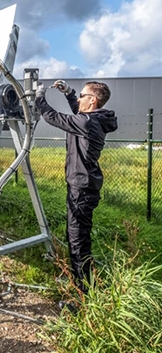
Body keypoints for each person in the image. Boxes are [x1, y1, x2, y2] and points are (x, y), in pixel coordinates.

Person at [35, 80, 118, 295]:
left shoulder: (86, 122)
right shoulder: (94, 119)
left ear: (92, 100)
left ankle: (83, 294)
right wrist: (69, 93)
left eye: (82, 95)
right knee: (79, 236)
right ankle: (84, 283)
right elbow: (77, 111)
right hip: (84, 186)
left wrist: (38, 98)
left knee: (78, 240)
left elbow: (53, 117)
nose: (79, 99)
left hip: (81, 190)